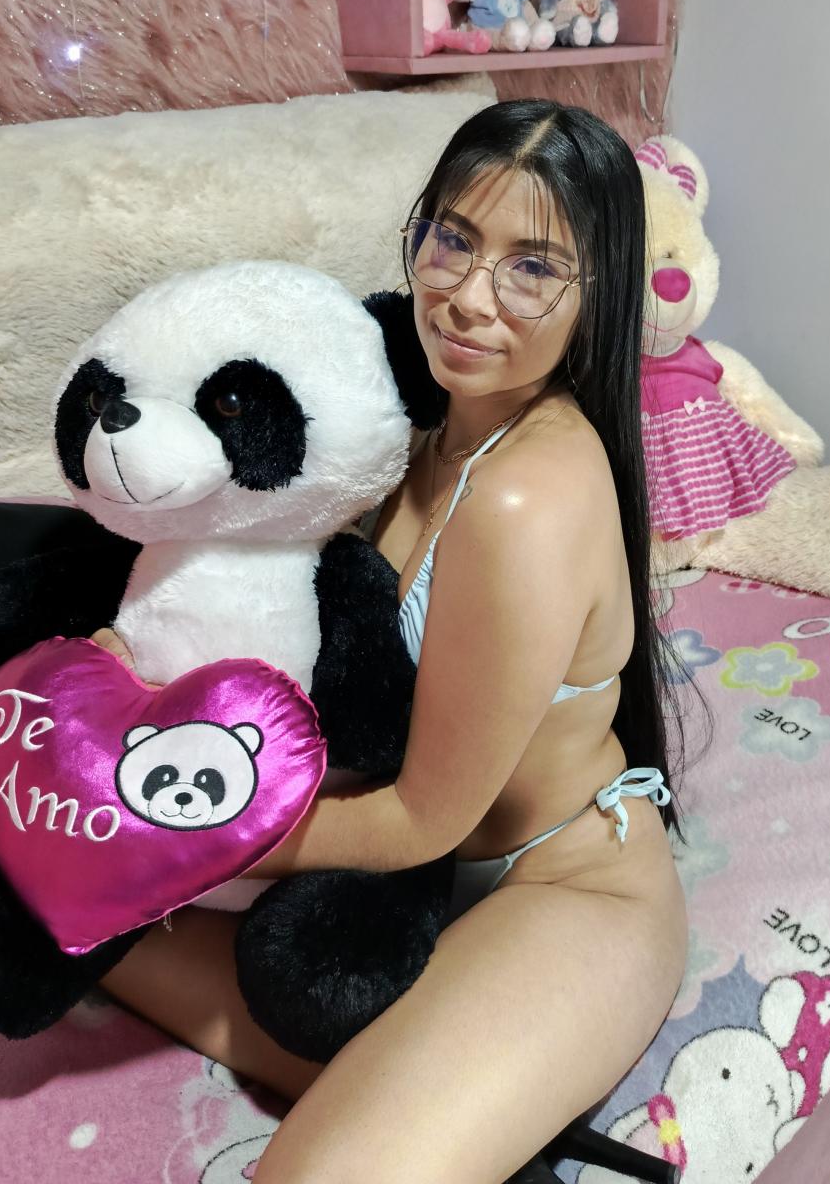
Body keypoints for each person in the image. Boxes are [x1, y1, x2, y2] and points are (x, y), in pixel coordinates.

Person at [94, 99, 688, 1183]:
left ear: (597, 295)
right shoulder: (407, 421)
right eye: (453, 238)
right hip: (382, 896)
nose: (468, 297)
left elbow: (422, 817)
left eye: (532, 268)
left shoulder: (526, 497)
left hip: (549, 885)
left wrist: (183, 831)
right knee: (66, 912)